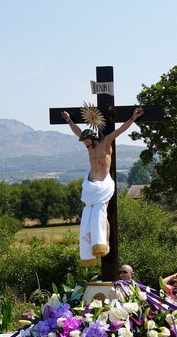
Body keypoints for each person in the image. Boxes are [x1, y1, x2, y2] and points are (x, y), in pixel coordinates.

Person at [61, 106, 144, 263]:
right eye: (84, 142)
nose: (85, 144)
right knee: (89, 214)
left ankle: (104, 242)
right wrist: (69, 120)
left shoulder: (105, 142)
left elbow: (119, 130)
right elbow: (77, 131)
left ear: (93, 137)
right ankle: (91, 244)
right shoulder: (89, 146)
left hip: (103, 185)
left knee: (102, 212)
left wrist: (133, 118)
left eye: (87, 141)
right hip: (91, 184)